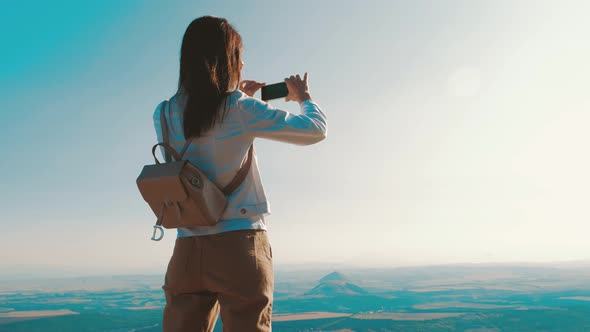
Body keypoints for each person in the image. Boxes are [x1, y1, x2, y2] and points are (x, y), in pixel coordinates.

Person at [153, 16, 328, 332]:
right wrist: (303, 96)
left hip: (187, 249)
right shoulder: (239, 108)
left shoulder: (164, 112)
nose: (244, 61)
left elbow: (197, 159)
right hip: (240, 243)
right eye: (239, 54)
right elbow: (314, 131)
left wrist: (243, 98)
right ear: (227, 59)